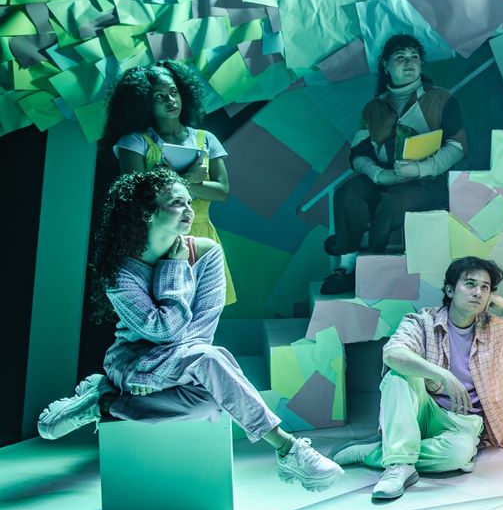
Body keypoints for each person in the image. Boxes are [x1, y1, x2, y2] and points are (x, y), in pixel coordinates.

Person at [38, 169, 343, 491]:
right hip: (132, 363)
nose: (188, 210)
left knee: (207, 405)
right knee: (209, 360)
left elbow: (201, 329)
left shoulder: (207, 252)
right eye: (176, 203)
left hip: (181, 359)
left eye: (189, 201)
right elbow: (164, 330)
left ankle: (103, 401)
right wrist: (174, 268)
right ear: (146, 212)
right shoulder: (120, 272)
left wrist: (158, 370)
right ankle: (287, 448)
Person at [330, 256, 503, 500]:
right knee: (398, 375)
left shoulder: (497, 328)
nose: (478, 293)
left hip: (464, 423)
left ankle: (379, 453)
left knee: (458, 455)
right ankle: (398, 466)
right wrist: (441, 374)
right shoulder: (423, 321)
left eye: (485, 287)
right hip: (426, 411)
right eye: (470, 284)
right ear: (450, 290)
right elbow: (393, 354)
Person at [322, 35, 467, 294]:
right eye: (400, 57)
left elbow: (458, 146)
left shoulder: (442, 99)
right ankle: (346, 267)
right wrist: (379, 175)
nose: (409, 63)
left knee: (394, 203)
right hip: (384, 179)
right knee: (348, 193)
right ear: (386, 65)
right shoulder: (373, 108)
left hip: (426, 183)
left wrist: (421, 169)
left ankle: (372, 264)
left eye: (414, 57)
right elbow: (358, 154)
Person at [104, 61, 236, 305]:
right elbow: (135, 196)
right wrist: (188, 180)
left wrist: (177, 182)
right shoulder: (134, 142)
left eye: (173, 92)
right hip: (155, 241)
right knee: (163, 310)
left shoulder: (207, 139)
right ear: (144, 102)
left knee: (204, 310)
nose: (171, 100)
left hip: (202, 234)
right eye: (160, 96)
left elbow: (222, 192)